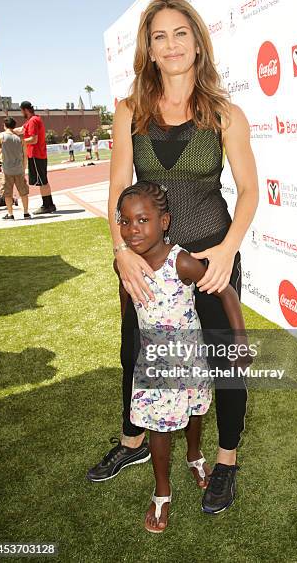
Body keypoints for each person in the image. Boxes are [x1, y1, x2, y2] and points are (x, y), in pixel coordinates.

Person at [87, 0, 259, 514]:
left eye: (180, 33)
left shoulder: (225, 113)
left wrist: (228, 251)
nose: (171, 44)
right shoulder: (128, 112)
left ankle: (225, 460)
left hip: (209, 257)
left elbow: (250, 190)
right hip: (146, 259)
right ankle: (134, 443)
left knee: (223, 361)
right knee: (134, 354)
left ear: (197, 42)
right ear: (149, 49)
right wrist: (121, 249)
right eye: (159, 36)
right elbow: (118, 185)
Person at [115, 180, 250, 532]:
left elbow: (226, 293)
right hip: (155, 364)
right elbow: (126, 298)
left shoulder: (182, 263)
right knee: (160, 428)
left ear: (165, 222)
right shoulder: (125, 265)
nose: (132, 230)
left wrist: (239, 339)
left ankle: (195, 454)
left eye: (142, 220)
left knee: (194, 409)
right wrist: (128, 335)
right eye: (125, 221)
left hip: (189, 358)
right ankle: (162, 491)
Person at [13, 101, 56, 215]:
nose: (21, 113)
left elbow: (33, 139)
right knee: (42, 180)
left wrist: (18, 141)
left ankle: (47, 205)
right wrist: (8, 132)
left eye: (21, 110)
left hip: (37, 154)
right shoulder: (32, 120)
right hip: (37, 154)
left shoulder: (33, 121)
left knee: (43, 181)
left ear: (25, 110)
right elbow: (21, 129)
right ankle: (48, 204)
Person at [0, 117, 30, 220]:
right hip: (19, 169)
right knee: (23, 192)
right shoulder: (20, 139)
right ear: (14, 126)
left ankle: (10, 214)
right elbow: (25, 155)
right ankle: (26, 213)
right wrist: (23, 169)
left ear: (5, 126)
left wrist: (3, 150)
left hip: (7, 170)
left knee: (7, 193)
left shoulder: (1, 137)